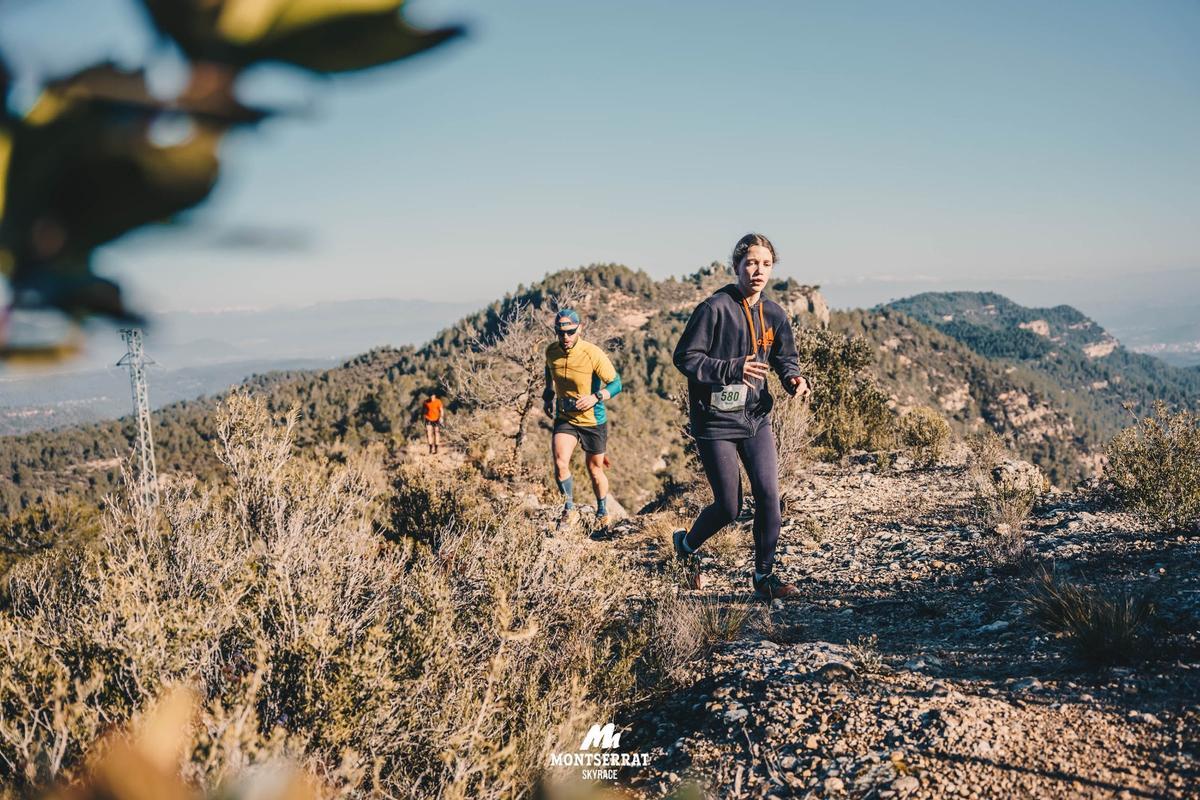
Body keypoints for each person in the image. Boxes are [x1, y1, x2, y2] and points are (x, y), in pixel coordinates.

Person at [671, 233, 810, 600]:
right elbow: (686, 358)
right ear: (736, 267)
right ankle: (685, 546)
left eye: (765, 264)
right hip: (715, 422)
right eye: (751, 263)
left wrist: (793, 378)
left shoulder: (775, 314)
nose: (758, 270)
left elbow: (784, 358)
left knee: (768, 496)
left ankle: (764, 577)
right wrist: (732, 368)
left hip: (755, 418)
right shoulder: (714, 308)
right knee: (729, 507)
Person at [542, 308, 623, 529]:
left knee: (595, 469)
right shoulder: (551, 351)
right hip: (565, 417)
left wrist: (596, 397)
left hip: (593, 420)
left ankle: (603, 511)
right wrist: (548, 395)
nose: (565, 337)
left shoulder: (593, 353)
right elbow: (550, 370)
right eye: (561, 333)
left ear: (580, 328)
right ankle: (569, 510)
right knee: (560, 463)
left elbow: (616, 384)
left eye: (570, 331)